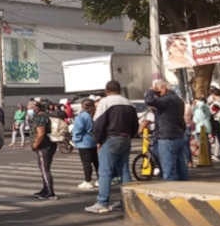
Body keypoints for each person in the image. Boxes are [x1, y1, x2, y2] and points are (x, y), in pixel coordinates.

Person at [86, 81, 138, 213]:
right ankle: (126, 201)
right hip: (125, 138)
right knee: (124, 170)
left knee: (105, 171)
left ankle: (102, 202)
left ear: (106, 90)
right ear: (119, 89)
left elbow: (99, 123)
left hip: (110, 138)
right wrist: (129, 135)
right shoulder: (129, 103)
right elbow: (135, 124)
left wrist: (98, 141)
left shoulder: (105, 102)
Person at [145, 79, 188, 181]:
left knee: (169, 170)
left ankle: (170, 191)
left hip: (166, 137)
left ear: (163, 88)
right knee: (181, 168)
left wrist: (151, 91)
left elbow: (149, 101)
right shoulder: (177, 99)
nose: (157, 94)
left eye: (158, 91)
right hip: (178, 135)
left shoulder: (168, 99)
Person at [30, 100, 57, 200]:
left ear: (38, 107)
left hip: (44, 146)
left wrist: (35, 145)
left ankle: (50, 192)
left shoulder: (40, 117)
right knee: (44, 169)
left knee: (45, 169)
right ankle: (45, 189)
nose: (31, 108)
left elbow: (41, 133)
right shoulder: (45, 115)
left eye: (32, 106)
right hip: (47, 145)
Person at [71, 98, 98, 189]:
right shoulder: (94, 114)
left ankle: (88, 181)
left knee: (86, 162)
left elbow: (78, 129)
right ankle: (100, 180)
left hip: (84, 142)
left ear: (83, 106)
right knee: (96, 162)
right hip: (93, 140)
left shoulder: (82, 116)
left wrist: (75, 139)